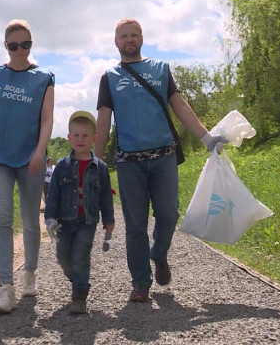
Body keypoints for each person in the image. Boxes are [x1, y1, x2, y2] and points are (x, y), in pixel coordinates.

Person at [94, 18, 226, 302]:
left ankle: (159, 254)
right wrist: (93, 161)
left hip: (163, 156)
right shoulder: (109, 77)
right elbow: (103, 120)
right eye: (124, 36)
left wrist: (207, 138)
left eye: (135, 35)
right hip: (129, 162)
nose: (129, 40)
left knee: (168, 214)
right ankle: (140, 282)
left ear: (142, 38)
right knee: (135, 225)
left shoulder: (161, 70)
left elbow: (180, 106)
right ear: (115, 41)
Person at [0, 19, 55, 314]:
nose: (20, 50)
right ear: (5, 46)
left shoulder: (44, 77)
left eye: (26, 44)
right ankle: (6, 287)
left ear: (31, 44)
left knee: (30, 219)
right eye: (13, 45)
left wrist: (40, 152)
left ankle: (29, 272)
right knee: (3, 218)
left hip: (30, 158)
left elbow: (47, 120)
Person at [44, 111, 114, 315]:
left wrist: (108, 220)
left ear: (94, 139)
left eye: (85, 136)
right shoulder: (62, 167)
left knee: (80, 257)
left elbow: (106, 197)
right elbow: (53, 195)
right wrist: (50, 218)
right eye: (76, 135)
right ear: (69, 137)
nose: (80, 140)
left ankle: (80, 296)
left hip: (87, 221)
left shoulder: (99, 168)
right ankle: (78, 280)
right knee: (63, 258)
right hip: (64, 222)